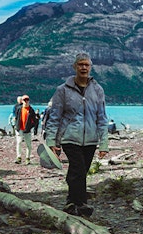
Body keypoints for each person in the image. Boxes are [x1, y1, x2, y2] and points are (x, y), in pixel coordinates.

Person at [45, 52, 109, 217]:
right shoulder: (62, 90)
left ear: (90, 67)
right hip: (69, 137)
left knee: (79, 171)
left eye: (86, 65)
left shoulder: (97, 90)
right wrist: (52, 141)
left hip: (90, 140)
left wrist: (104, 144)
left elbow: (102, 118)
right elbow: (55, 117)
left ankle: (70, 201)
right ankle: (82, 204)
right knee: (78, 169)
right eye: (80, 64)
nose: (83, 67)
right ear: (74, 67)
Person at [12, 95, 39, 164]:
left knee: (28, 144)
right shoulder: (19, 108)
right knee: (19, 143)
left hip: (27, 130)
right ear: (22, 101)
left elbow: (35, 121)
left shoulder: (31, 110)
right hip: (19, 129)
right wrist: (16, 126)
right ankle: (19, 157)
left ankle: (28, 158)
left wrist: (30, 127)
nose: (26, 102)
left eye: (27, 100)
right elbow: (16, 117)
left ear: (29, 101)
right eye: (24, 100)